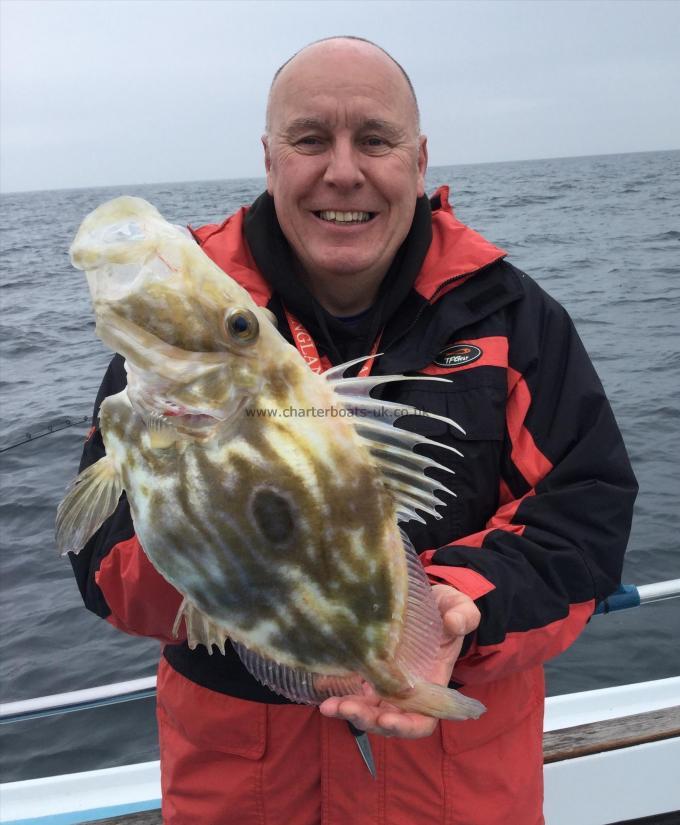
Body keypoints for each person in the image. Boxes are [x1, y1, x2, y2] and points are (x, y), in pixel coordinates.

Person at [70, 36, 637, 825]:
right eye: (310, 140)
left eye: (374, 139)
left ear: (418, 158)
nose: (343, 170)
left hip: (456, 794)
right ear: (270, 160)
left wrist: (455, 607)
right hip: (247, 794)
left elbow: (587, 517)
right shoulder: (192, 337)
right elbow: (101, 563)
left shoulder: (511, 318)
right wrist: (230, 562)